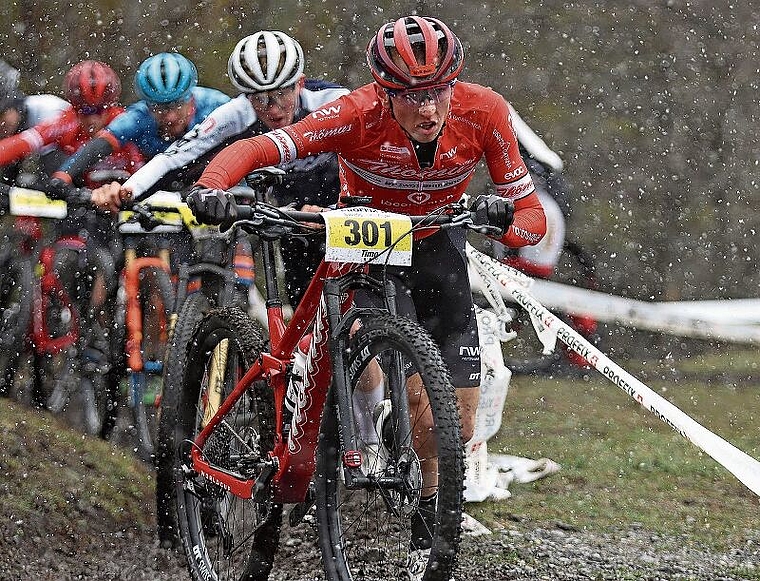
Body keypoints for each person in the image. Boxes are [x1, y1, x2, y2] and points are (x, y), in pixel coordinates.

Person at [187, 15, 546, 578]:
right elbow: (261, 148)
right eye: (411, 97)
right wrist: (210, 188)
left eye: (438, 93)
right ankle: (337, 437)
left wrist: (501, 219)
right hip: (368, 243)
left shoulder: (484, 111)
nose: (429, 110)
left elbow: (532, 220)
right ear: (385, 92)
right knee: (371, 363)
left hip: (435, 247)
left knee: (452, 427)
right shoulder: (356, 113)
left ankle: (426, 519)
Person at [91, 31, 349, 307]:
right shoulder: (236, 112)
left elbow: (376, 154)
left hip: (343, 200)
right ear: (245, 96)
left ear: (299, 83)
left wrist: (340, 207)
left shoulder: (333, 100)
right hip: (292, 212)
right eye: (260, 98)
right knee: (307, 310)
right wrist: (127, 190)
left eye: (281, 94)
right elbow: (175, 157)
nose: (272, 109)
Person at [48, 52, 229, 192]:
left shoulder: (217, 106)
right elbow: (101, 143)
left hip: (214, 176)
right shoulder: (139, 115)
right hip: (163, 183)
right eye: (161, 109)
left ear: (191, 97)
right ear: (148, 106)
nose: (170, 117)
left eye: (177, 105)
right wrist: (63, 176)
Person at [0, 60, 143, 189]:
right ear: (74, 107)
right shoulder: (68, 121)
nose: (92, 119)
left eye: (100, 109)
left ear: (111, 104)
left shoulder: (125, 121)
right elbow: (23, 142)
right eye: (85, 110)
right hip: (84, 198)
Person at [0, 59, 70, 185]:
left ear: (15, 105)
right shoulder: (16, 122)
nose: (1, 124)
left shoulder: (48, 111)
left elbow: (55, 180)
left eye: (1, 115)